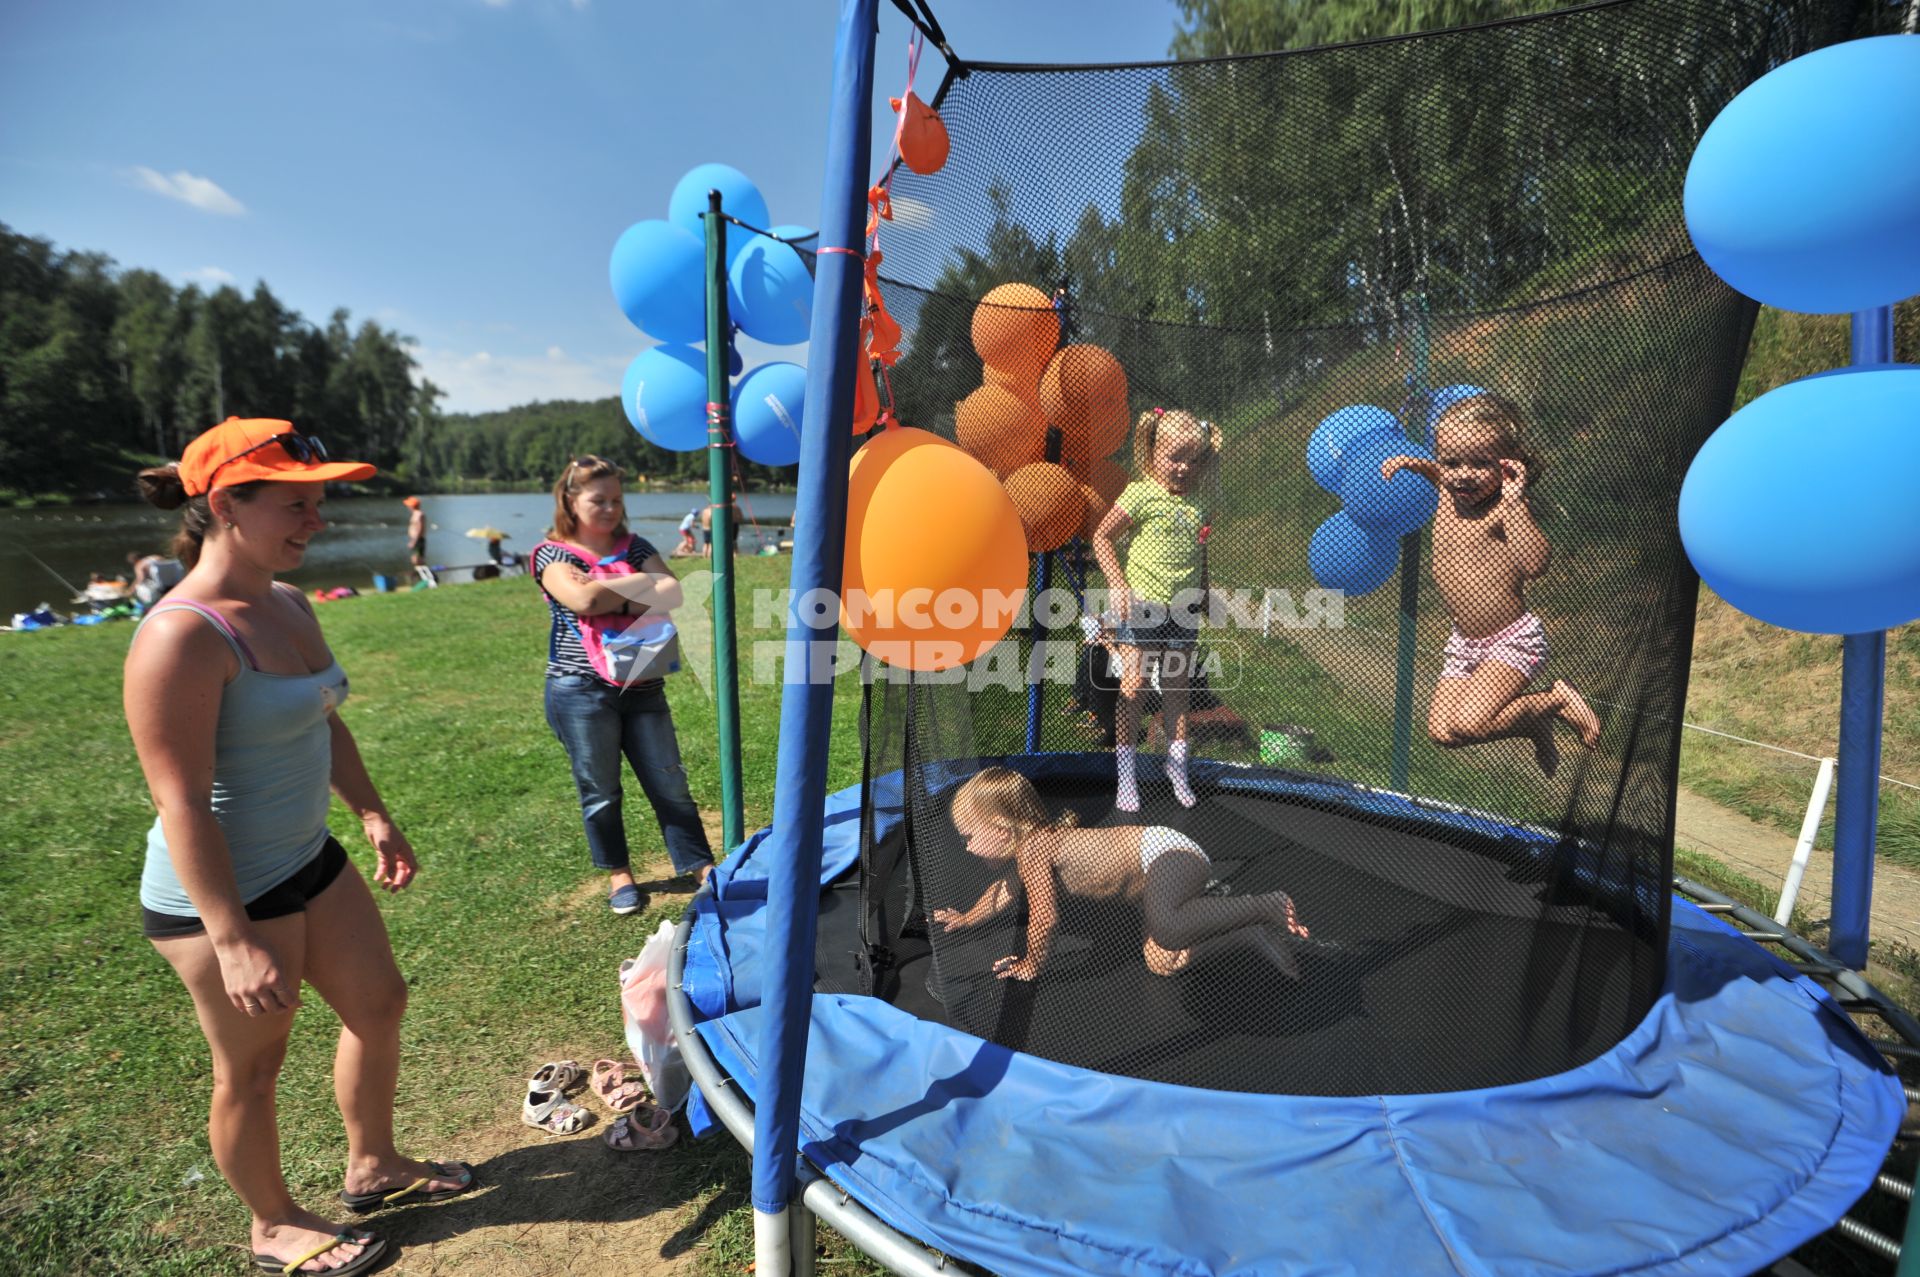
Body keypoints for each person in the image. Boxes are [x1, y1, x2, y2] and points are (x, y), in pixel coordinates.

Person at [126, 417, 472, 1277]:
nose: (315, 521)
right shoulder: (181, 635)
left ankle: (374, 1163)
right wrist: (233, 937)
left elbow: (322, 717)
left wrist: (371, 811)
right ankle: (272, 1222)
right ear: (224, 506)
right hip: (221, 894)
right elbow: (179, 804)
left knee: (380, 1003)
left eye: (318, 502)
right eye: (296, 505)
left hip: (304, 854)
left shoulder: (285, 601)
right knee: (253, 1065)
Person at [1379, 393, 1601, 776]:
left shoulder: (1505, 507)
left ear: (1508, 463)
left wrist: (1515, 503)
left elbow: (1535, 564)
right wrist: (1416, 465)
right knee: (1442, 732)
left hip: (1509, 642)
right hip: (1463, 644)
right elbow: (1443, 472)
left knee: (1470, 724)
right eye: (1452, 461)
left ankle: (1553, 703)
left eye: (1481, 463)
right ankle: (1533, 723)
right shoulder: (1449, 493)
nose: (1463, 473)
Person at [534, 456, 714, 913]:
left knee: (669, 780)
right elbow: (582, 600)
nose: (610, 508)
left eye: (617, 499)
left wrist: (610, 583)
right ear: (571, 501)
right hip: (580, 690)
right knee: (600, 789)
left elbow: (674, 592)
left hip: (644, 684)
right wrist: (639, 587)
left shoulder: (635, 546)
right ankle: (620, 875)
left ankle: (701, 868)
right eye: (599, 500)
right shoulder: (552, 554)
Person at [933, 767, 1309, 981]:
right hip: (1156, 881)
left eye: (969, 837)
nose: (965, 847)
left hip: (1165, 852)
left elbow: (1044, 920)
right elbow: (1004, 892)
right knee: (1164, 962)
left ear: (1002, 828)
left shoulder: (1034, 848)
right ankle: (1248, 932)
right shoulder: (1028, 851)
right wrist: (966, 918)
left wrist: (1030, 964)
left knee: (1167, 925)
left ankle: (1264, 904)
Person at [1091, 408, 1220, 811]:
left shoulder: (1199, 504)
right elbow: (1102, 537)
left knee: (1178, 691)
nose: (1183, 468)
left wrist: (1205, 590)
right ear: (1152, 455)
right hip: (1143, 608)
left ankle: (1176, 767)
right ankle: (1126, 776)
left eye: (1192, 459)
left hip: (1182, 613)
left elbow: (1199, 554)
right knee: (1134, 689)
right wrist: (1117, 583)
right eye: (1174, 457)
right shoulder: (1140, 493)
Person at [403, 496, 427, 569]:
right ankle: (419, 575)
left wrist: (414, 541)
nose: (408, 507)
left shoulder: (419, 514)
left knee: (418, 560)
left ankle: (426, 575)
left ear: (412, 506)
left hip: (418, 540)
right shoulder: (415, 514)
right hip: (414, 539)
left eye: (409, 505)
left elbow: (420, 528)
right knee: (414, 559)